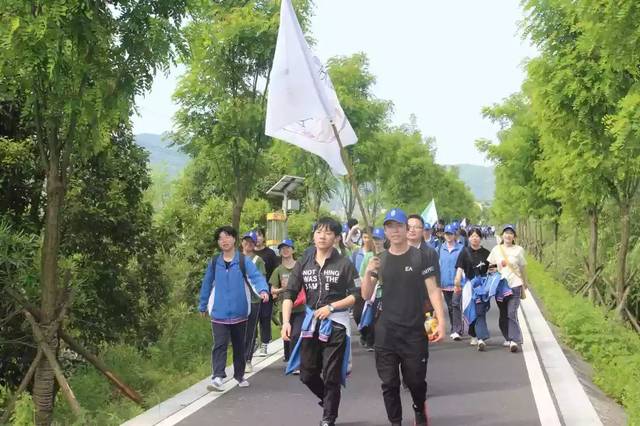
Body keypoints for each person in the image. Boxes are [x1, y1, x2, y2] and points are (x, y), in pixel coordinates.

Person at [361, 208, 446, 426]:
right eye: (390, 226)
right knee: (389, 383)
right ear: (385, 231)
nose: (395, 230)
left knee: (415, 380)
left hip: (414, 331)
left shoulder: (420, 257)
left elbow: (433, 290)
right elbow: (366, 294)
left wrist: (441, 322)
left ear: (406, 229)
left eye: (399, 226)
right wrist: (369, 272)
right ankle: (395, 422)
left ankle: (419, 407)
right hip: (385, 332)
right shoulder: (379, 260)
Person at [281, 217, 360, 426]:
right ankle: (328, 401)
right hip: (311, 324)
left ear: (335, 237)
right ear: (314, 235)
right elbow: (289, 292)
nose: (322, 236)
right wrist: (286, 322)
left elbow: (356, 294)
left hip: (336, 324)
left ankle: (328, 418)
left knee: (332, 374)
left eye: (327, 233)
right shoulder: (304, 262)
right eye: (318, 232)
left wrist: (332, 307)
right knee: (307, 374)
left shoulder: (345, 263)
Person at [198, 226, 270, 391]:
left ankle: (239, 375)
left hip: (240, 311)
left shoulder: (243, 261)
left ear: (234, 240)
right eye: (221, 238)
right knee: (220, 344)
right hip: (219, 312)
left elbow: (256, 278)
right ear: (218, 242)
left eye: (227, 237)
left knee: (239, 345)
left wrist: (263, 290)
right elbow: (207, 283)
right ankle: (217, 377)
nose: (224, 241)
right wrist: (203, 304)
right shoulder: (215, 262)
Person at [487, 224, 529, 353]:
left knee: (511, 313)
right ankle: (507, 336)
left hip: (514, 284)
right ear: (502, 235)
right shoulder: (496, 249)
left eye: (511, 233)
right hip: (500, 286)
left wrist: (525, 282)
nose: (508, 235)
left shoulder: (519, 250)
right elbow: (490, 267)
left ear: (514, 236)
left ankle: (514, 340)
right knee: (503, 314)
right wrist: (496, 267)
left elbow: (522, 267)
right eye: (506, 232)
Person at [454, 227, 490, 350]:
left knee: (480, 310)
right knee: (471, 310)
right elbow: (459, 268)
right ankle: (474, 335)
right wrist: (457, 282)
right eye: (472, 236)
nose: (474, 238)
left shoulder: (486, 253)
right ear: (468, 238)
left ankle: (480, 337)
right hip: (469, 286)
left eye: (477, 236)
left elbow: (492, 269)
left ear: (480, 238)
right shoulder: (464, 252)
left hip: (483, 286)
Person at [270, 239, 302, 364]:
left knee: (297, 333)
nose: (285, 250)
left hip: (301, 306)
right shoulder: (278, 270)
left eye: (288, 247)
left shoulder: (300, 267)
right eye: (282, 248)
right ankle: (288, 356)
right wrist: (283, 289)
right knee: (287, 333)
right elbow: (272, 291)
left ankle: (297, 359)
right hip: (285, 306)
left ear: (293, 250)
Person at [241, 231, 267, 373]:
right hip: (237, 299)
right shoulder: (235, 258)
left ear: (255, 243)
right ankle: (239, 357)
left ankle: (247, 359)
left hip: (253, 299)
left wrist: (263, 292)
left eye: (251, 242)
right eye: (246, 241)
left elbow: (261, 279)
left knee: (250, 331)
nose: (248, 244)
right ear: (241, 242)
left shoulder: (258, 260)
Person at [356, 227, 385, 351]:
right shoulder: (369, 256)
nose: (377, 242)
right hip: (370, 291)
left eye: (379, 239)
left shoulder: (387, 254)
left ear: (384, 240)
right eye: (375, 239)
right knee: (368, 315)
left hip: (383, 293)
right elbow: (362, 274)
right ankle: (368, 338)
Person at [253, 228, 278, 357]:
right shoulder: (247, 253)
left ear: (264, 237)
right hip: (251, 291)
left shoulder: (270, 253)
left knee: (265, 317)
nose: (257, 238)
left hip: (266, 289)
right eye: (255, 236)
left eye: (259, 235)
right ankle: (254, 342)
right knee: (252, 318)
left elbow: (275, 271)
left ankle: (265, 343)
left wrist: (274, 289)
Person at [439, 224, 465, 340]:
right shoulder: (440, 248)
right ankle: (454, 327)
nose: (449, 236)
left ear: (455, 235)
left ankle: (457, 330)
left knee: (455, 304)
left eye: (451, 234)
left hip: (457, 282)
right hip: (444, 282)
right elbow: (438, 265)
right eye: (447, 234)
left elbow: (464, 264)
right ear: (444, 235)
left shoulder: (461, 248)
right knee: (450, 306)